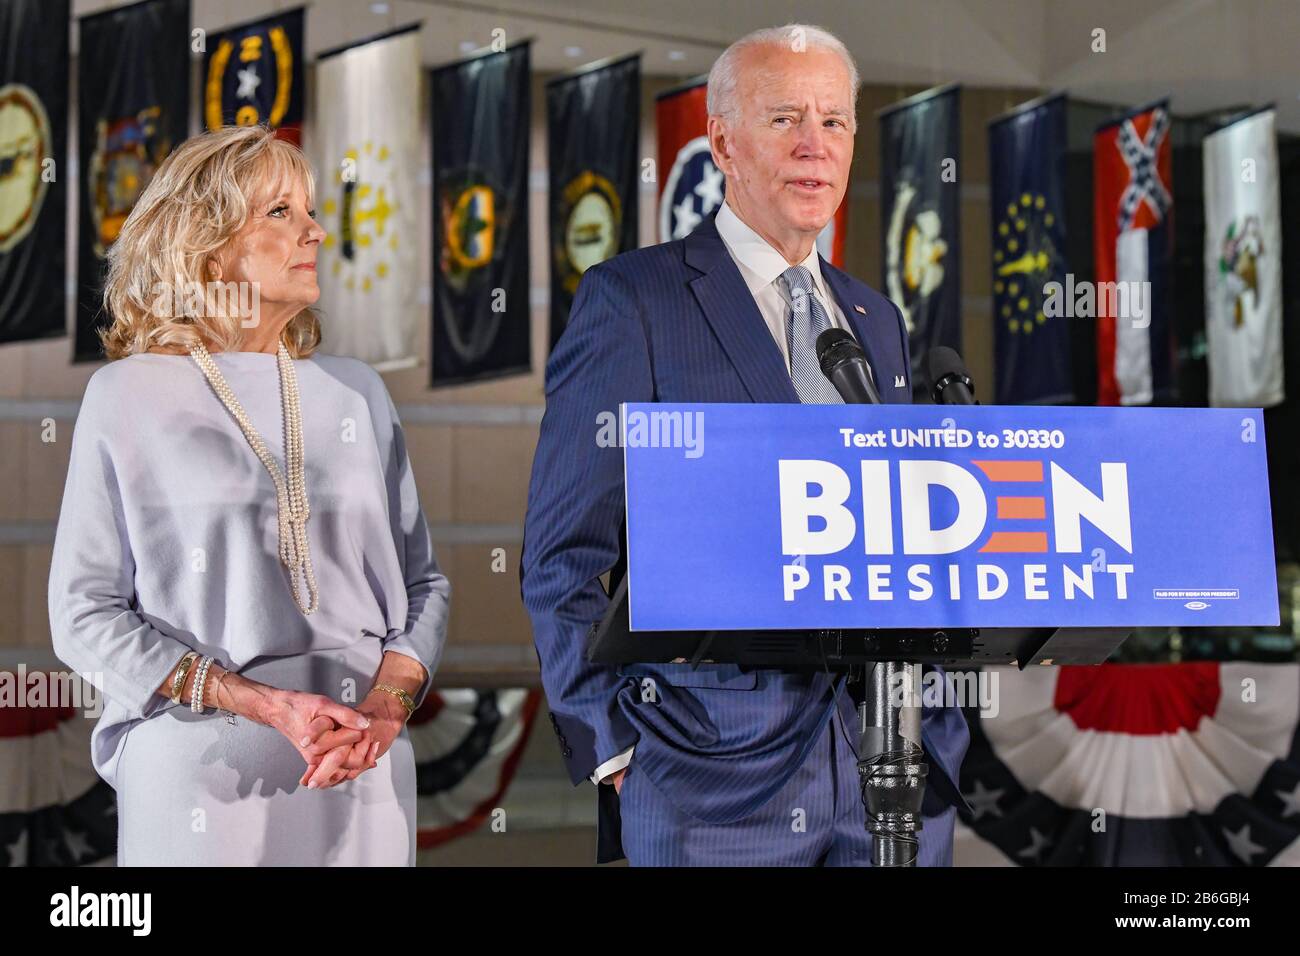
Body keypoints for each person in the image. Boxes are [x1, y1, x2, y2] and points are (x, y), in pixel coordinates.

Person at [521, 23, 971, 865]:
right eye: (785, 119)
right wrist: (613, 748)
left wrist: (938, 721)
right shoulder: (635, 300)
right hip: (708, 782)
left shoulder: (878, 320)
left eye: (834, 122)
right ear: (723, 143)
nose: (815, 146)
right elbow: (562, 553)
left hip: (890, 771)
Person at [47, 125, 450, 865]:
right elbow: (82, 612)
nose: (316, 232)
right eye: (281, 213)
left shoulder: (357, 391)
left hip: (361, 770)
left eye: (311, 210)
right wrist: (265, 706)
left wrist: (384, 712)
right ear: (207, 243)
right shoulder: (128, 395)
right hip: (202, 777)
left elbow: (425, 584)